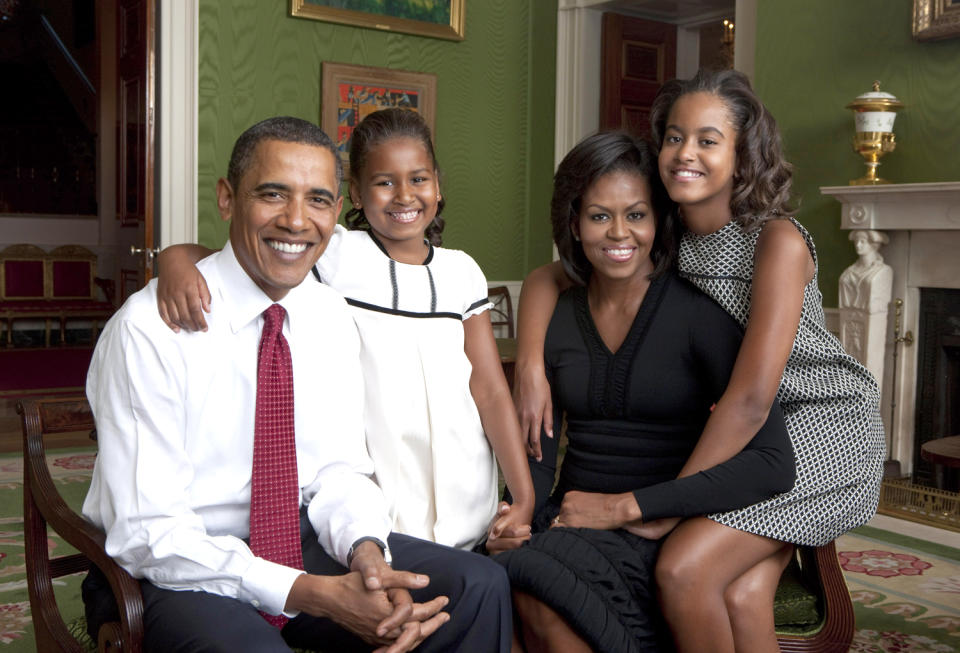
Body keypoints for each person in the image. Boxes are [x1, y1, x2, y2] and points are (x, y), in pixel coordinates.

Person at [81, 116, 512, 653]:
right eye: (273, 194)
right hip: (172, 566)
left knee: (478, 587)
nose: (296, 220)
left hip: (295, 539)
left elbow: (338, 470)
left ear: (337, 210)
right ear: (227, 199)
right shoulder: (150, 329)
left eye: (318, 200)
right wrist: (317, 594)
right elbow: (150, 533)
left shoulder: (328, 313)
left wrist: (366, 554)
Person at [513, 69, 886, 653]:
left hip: (820, 426)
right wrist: (532, 362)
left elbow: (750, 399)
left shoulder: (777, 241)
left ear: (743, 156)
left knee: (683, 567)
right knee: (742, 595)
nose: (685, 153)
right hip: (754, 433)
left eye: (708, 140)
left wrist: (663, 506)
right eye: (674, 137)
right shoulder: (669, 232)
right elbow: (549, 276)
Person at [153, 108, 534, 554]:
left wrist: (522, 497)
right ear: (353, 193)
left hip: (465, 483)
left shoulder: (462, 271)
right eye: (384, 182)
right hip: (377, 490)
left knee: (475, 590)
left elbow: (488, 389)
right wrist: (173, 259)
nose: (404, 196)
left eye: (418, 179)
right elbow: (239, 258)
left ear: (438, 186)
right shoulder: (334, 252)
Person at [494, 131, 795, 653]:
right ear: (573, 223)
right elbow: (539, 450)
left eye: (636, 215)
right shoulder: (559, 316)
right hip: (574, 517)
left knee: (540, 589)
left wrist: (636, 508)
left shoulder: (698, 313)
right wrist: (516, 512)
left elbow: (770, 462)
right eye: (598, 216)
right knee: (512, 575)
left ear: (658, 222)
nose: (618, 233)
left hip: (660, 526)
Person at [839, 229, 892, 313]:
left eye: (862, 242)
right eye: (856, 241)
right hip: (848, 316)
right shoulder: (849, 271)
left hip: (873, 316)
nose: (858, 245)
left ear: (873, 245)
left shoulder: (884, 271)